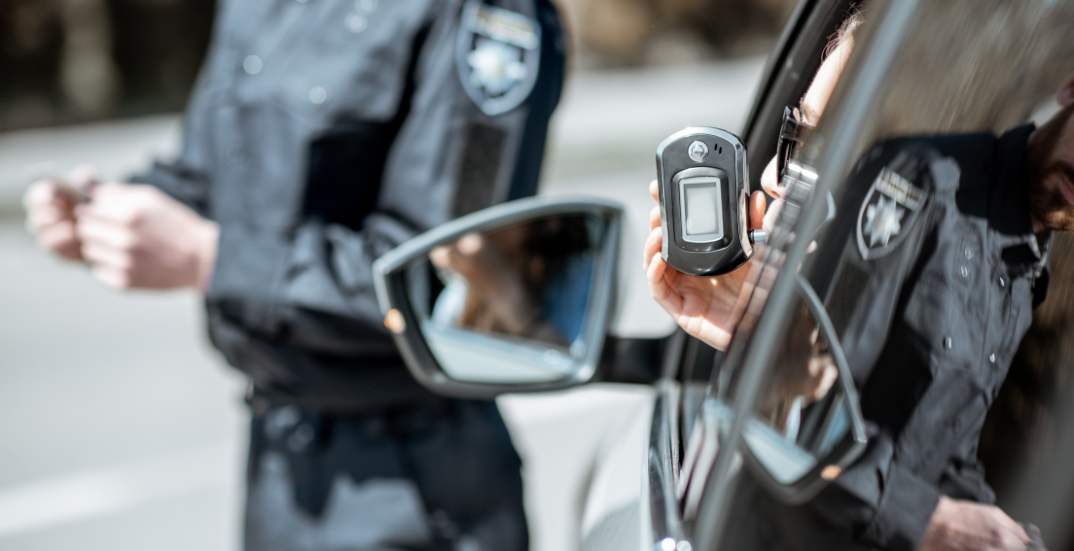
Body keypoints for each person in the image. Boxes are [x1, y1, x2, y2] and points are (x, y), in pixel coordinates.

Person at [23, 0, 565, 549]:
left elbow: (444, 278)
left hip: (412, 474)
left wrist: (210, 259)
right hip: (277, 460)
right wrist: (108, 215)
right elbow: (211, 174)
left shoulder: (482, 15)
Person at [644, 8, 1074, 550]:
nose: (778, 182)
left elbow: (937, 452)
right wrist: (765, 341)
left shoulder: (1021, 256)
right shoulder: (938, 193)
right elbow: (803, 442)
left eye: (842, 153)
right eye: (798, 138)